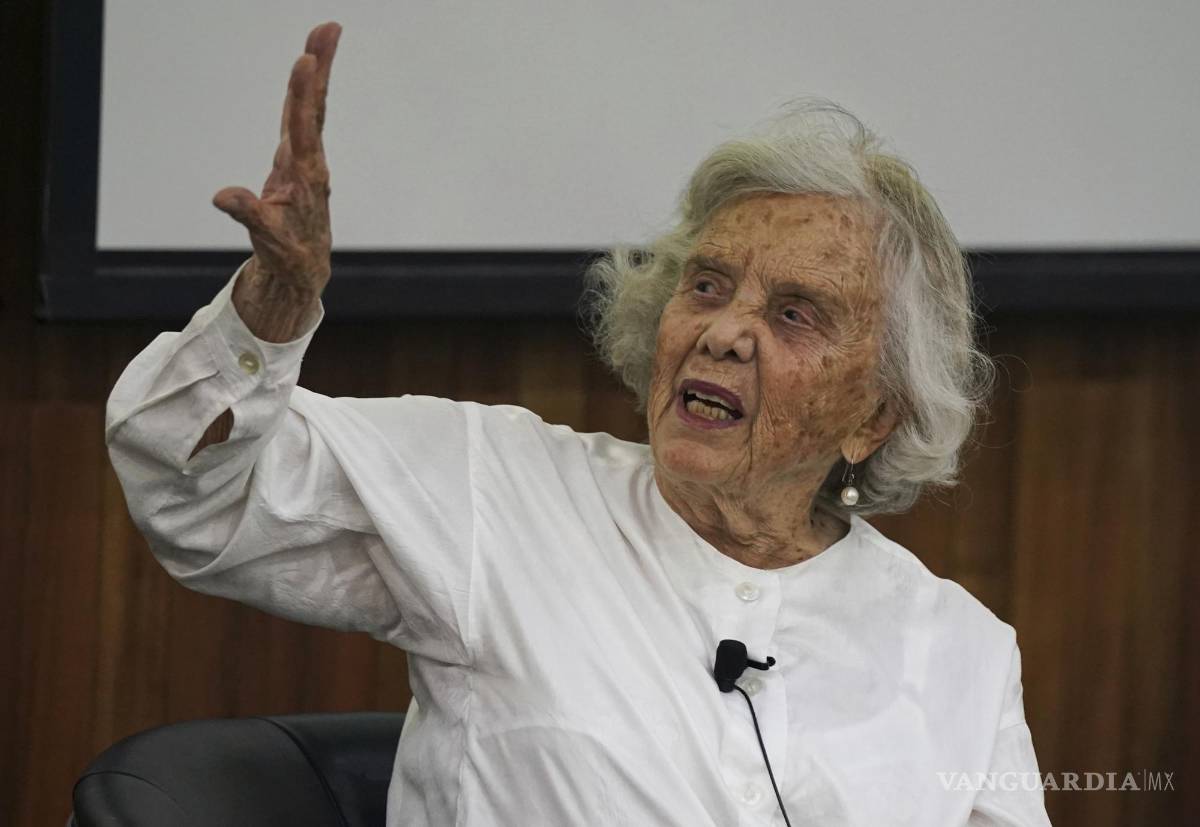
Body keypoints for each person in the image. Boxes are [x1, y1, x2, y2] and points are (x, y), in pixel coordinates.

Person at [105, 20, 1051, 827]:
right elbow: (194, 495)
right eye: (707, 285)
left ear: (874, 416)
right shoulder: (499, 492)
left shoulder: (958, 653)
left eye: (794, 313)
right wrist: (272, 305)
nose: (725, 332)